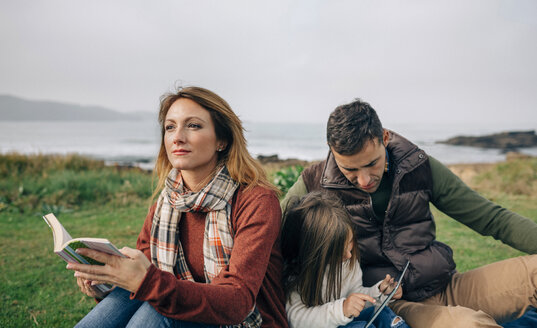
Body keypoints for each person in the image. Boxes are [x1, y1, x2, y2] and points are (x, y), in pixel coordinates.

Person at [280, 99, 537, 328]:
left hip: (445, 286)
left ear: (384, 137)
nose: (364, 179)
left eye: (372, 163)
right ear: (330, 150)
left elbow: (493, 219)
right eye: (350, 169)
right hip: (388, 304)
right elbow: (268, 235)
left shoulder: (418, 166)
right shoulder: (313, 183)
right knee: (470, 324)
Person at [67, 86, 289, 327]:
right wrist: (104, 281)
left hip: (246, 321)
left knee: (155, 310)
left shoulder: (256, 201)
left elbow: (237, 302)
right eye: (170, 127)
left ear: (222, 140)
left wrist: (147, 281)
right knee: (121, 298)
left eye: (193, 125)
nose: (177, 137)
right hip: (186, 309)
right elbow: (145, 273)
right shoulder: (166, 202)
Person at [281, 191, 410, 328]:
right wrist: (342, 309)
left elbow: (355, 297)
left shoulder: (347, 261)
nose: (348, 256)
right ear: (314, 253)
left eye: (349, 242)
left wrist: (379, 292)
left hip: (348, 320)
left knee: (383, 313)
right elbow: (296, 320)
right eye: (337, 253)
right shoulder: (298, 277)